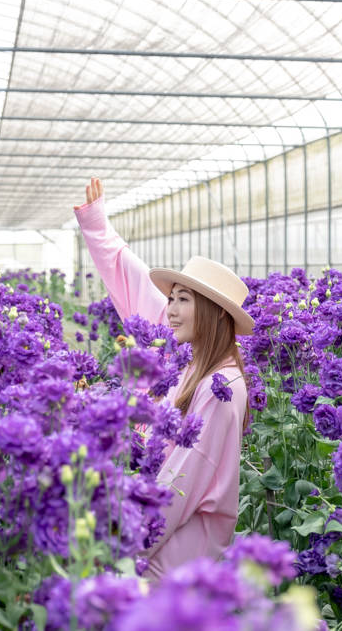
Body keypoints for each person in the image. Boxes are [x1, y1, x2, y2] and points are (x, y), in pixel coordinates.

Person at [73, 176, 255, 581]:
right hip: (157, 535)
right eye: (171, 298)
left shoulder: (220, 388)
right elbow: (132, 280)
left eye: (182, 300)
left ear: (215, 313)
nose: (170, 310)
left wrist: (126, 544)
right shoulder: (188, 356)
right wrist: (98, 225)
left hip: (174, 554)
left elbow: (179, 485)